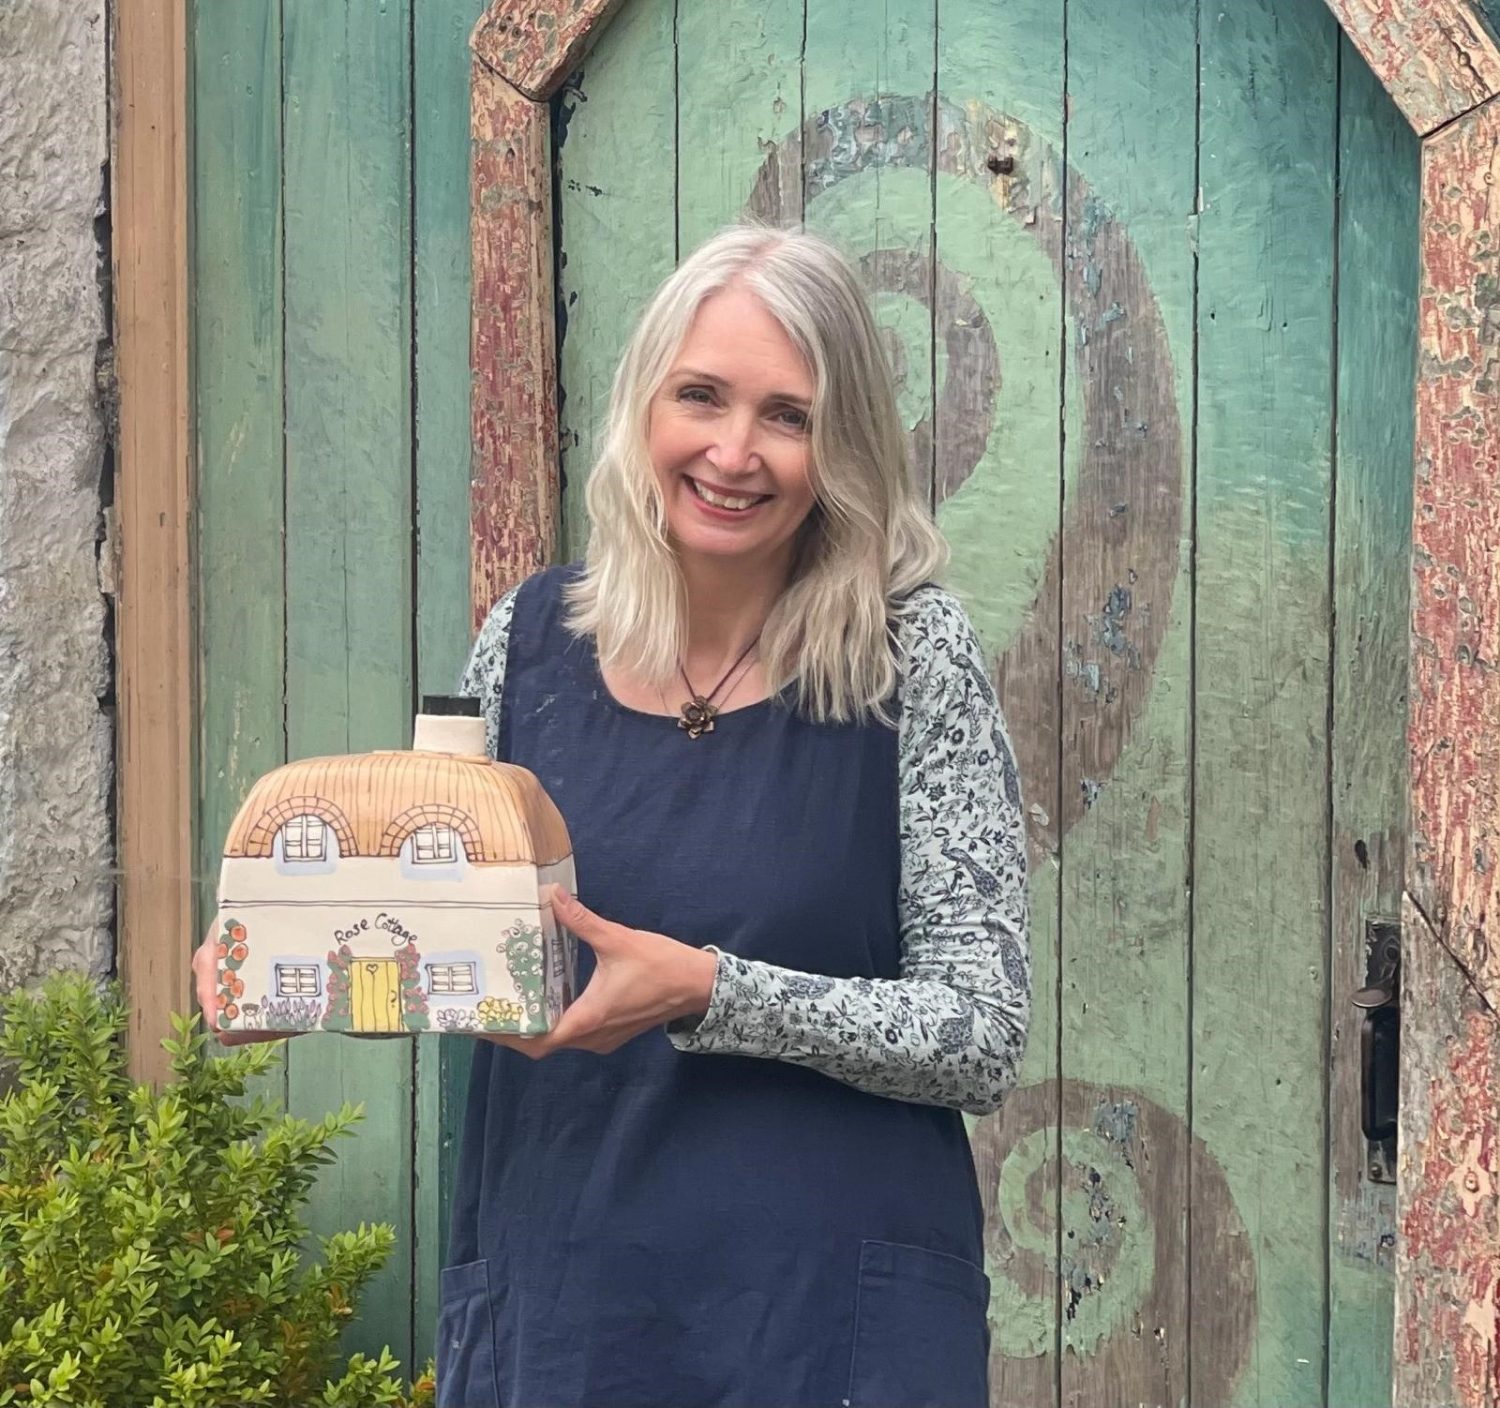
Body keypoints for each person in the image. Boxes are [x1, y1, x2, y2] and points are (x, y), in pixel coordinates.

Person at [196, 222, 1031, 1408]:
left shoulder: (910, 656)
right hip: (568, 1311)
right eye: (702, 396)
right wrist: (298, 969)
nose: (734, 452)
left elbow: (981, 1030)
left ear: (840, 447)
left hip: (828, 1323)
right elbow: (449, 940)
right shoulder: (527, 647)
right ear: (647, 404)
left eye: (787, 415)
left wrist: (712, 989)